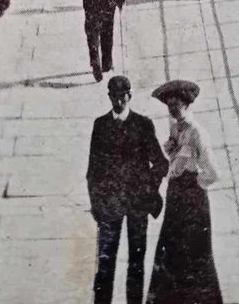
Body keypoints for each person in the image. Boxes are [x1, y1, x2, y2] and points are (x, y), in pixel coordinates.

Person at [87, 75, 168, 304]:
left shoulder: (143, 125)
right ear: (109, 97)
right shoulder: (100, 125)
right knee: (105, 264)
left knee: (136, 263)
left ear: (130, 96)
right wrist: (96, 203)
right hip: (109, 206)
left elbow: (161, 164)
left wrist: (147, 188)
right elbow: (92, 170)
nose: (118, 101)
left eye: (122, 96)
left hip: (137, 206)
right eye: (114, 96)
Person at [147, 80, 224, 304]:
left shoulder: (197, 132)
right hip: (175, 195)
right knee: (171, 248)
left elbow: (214, 172)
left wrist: (195, 183)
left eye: (176, 104)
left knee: (195, 250)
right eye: (169, 105)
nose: (172, 109)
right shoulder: (175, 127)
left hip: (193, 199)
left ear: (186, 104)